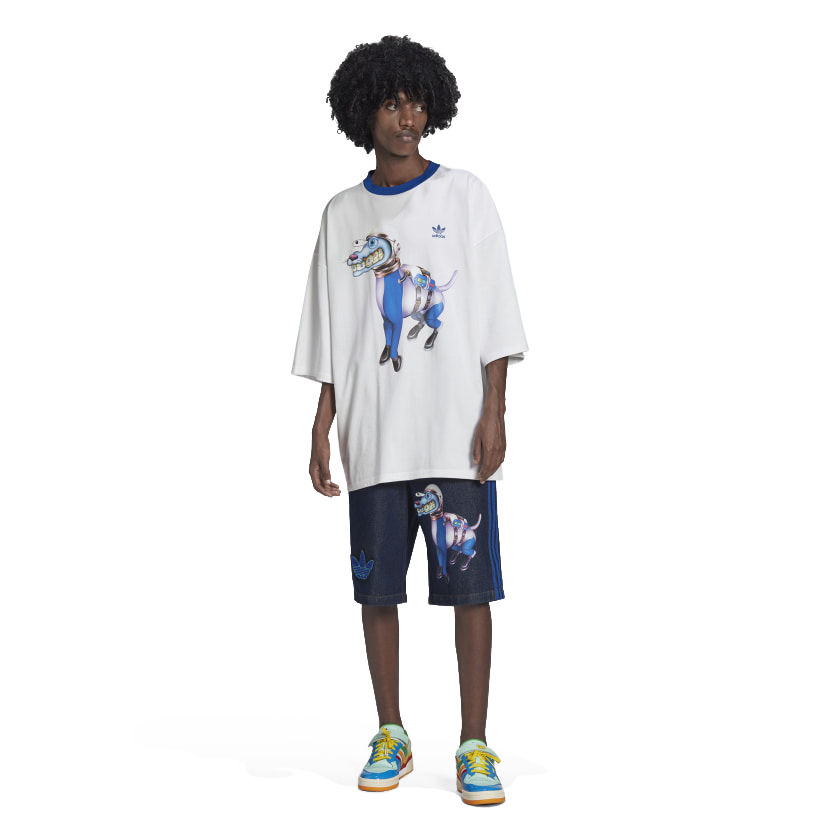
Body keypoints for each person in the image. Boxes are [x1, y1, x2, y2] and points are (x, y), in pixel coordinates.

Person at [291, 35, 529, 806]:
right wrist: (322, 425)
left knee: (470, 591)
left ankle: (474, 742)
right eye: (391, 103)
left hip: (454, 437)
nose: (407, 117)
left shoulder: (465, 196)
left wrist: (495, 410)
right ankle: (390, 730)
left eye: (417, 102)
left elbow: (495, 310)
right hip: (374, 439)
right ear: (364, 111)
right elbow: (331, 328)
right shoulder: (342, 215)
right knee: (376, 592)